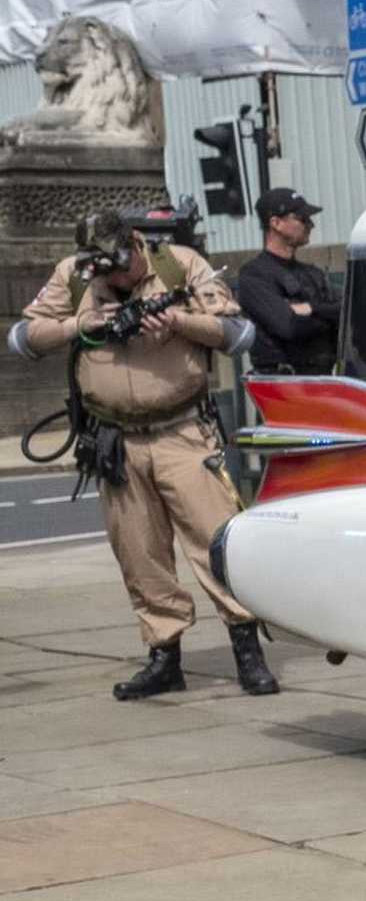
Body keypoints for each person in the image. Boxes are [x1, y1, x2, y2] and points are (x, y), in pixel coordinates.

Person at [6, 211, 278, 698]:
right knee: (139, 554)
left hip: (183, 432)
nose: (109, 276)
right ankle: (164, 655)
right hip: (117, 442)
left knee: (217, 543)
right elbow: (22, 339)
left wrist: (178, 320)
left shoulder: (180, 266)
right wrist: (77, 324)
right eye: (99, 269)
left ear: (136, 243)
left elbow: (240, 335)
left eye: (117, 264)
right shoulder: (74, 276)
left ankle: (247, 651)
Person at [234, 187, 341, 374]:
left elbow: (347, 311)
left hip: (322, 379)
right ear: (276, 223)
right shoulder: (254, 275)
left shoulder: (313, 274)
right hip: (283, 384)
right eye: (302, 219)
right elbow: (288, 327)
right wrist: (328, 316)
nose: (311, 225)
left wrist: (312, 309)